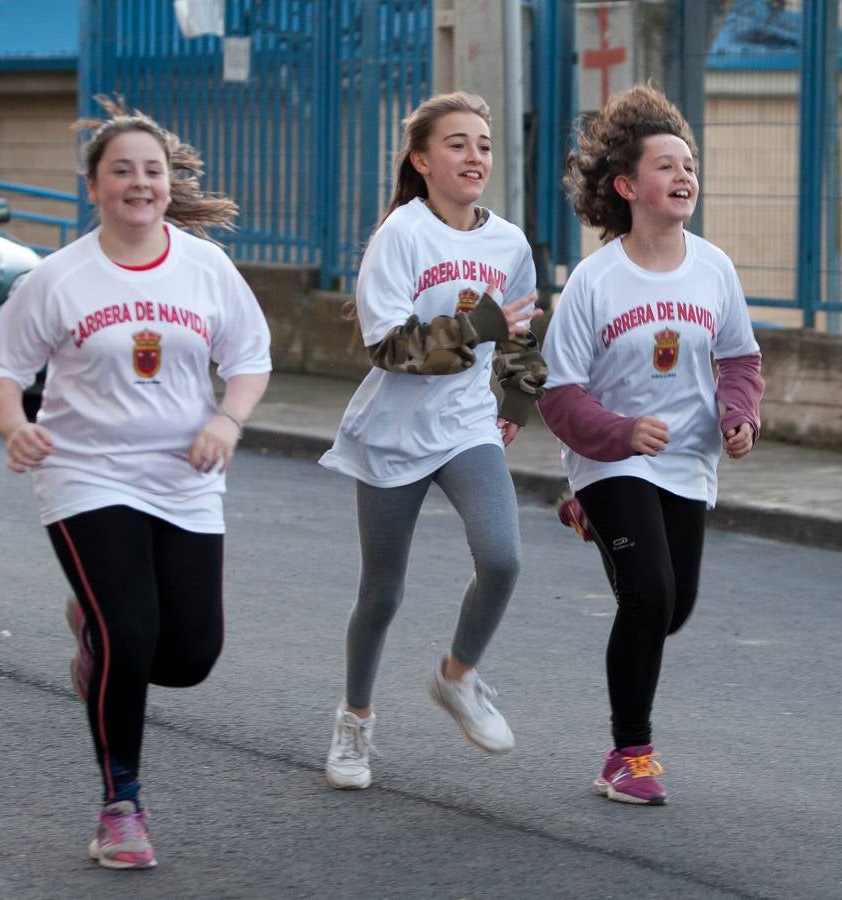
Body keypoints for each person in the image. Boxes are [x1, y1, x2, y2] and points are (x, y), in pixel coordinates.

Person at [0, 98, 272, 868]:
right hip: (85, 474)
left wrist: (227, 422)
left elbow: (248, 360)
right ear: (95, 186)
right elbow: (2, 366)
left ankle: (89, 625)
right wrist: (16, 428)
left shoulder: (205, 267)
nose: (140, 184)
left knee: (188, 656)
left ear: (168, 185)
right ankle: (121, 806)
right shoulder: (59, 277)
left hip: (185, 475)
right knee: (130, 636)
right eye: (122, 171)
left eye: (152, 171)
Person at [539, 85, 764, 806]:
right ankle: (628, 755)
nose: (684, 176)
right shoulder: (594, 283)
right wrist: (619, 434)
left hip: (687, 461)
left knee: (677, 606)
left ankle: (589, 520)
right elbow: (558, 392)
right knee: (649, 595)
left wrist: (739, 416)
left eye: (690, 163)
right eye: (667, 165)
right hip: (610, 459)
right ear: (628, 186)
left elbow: (740, 361)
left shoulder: (714, 269)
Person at [318, 91, 545, 789]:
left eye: (482, 143)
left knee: (502, 559)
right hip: (393, 432)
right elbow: (387, 346)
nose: (474, 155)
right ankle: (354, 721)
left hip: (466, 424)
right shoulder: (403, 235)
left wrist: (513, 397)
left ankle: (458, 676)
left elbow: (521, 330)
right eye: (457, 144)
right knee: (382, 593)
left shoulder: (507, 242)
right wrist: (480, 332)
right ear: (421, 160)